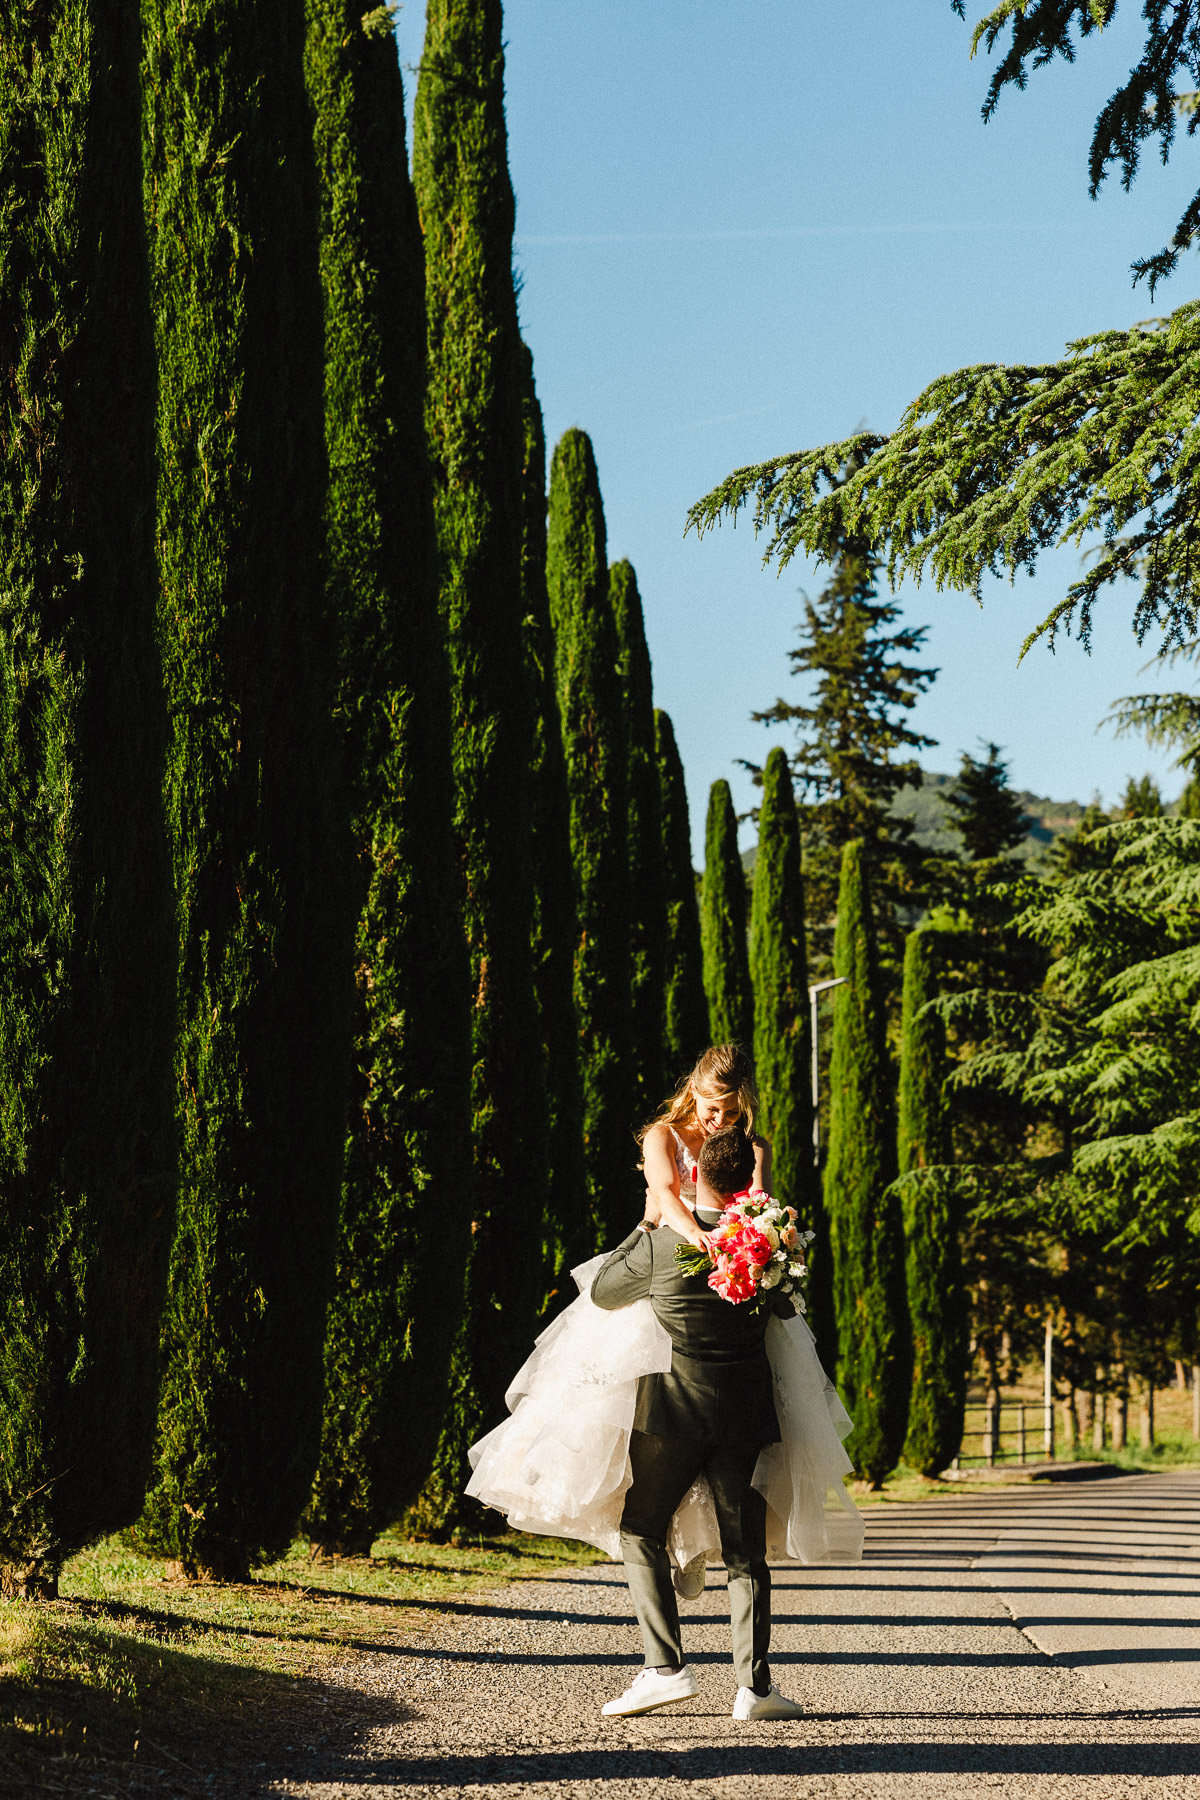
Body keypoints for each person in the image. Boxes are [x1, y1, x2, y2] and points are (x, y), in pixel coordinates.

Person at [590, 1124, 805, 1721]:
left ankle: (664, 1670)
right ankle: (754, 1690)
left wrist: (648, 1219)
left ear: (692, 1177)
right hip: (745, 1415)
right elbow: (788, 1308)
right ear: (748, 1184)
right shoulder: (769, 1245)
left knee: (641, 1530)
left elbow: (605, 1292)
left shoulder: (664, 1244)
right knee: (745, 1552)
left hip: (672, 1414)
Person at [639, 1044, 770, 1250]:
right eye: (713, 1108)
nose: (721, 1120)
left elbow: (759, 1205)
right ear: (693, 1090)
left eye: (732, 1112)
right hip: (676, 1241)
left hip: (733, 1248)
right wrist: (695, 1233)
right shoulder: (663, 1137)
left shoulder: (754, 1146)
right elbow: (664, 1194)